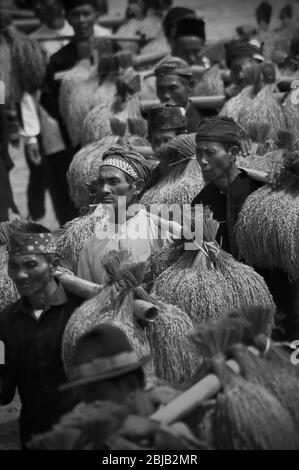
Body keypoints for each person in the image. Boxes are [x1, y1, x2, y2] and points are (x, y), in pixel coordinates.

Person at [29, 324, 200, 450]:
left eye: (95, 393)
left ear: (130, 385)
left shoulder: (174, 432)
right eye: (84, 395)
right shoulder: (84, 428)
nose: (90, 405)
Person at [0, 223, 83, 449]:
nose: (20, 275)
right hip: (36, 438)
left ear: (53, 264)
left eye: (30, 265)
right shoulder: (5, 322)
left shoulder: (82, 311)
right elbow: (3, 391)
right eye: (13, 266)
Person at [77, 146, 181, 285]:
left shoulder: (165, 233)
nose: (104, 189)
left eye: (113, 181)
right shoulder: (90, 247)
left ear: (137, 187)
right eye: (101, 182)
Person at [21, 0, 75, 225]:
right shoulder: (32, 44)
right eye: (38, 2)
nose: (42, 6)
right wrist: (31, 136)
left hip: (85, 127)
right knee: (61, 188)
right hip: (51, 127)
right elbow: (28, 93)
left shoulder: (93, 35)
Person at [191, 116, 262, 258]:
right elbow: (194, 255)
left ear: (232, 153)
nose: (202, 161)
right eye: (199, 153)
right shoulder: (200, 202)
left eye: (210, 153)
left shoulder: (258, 191)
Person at [142, 103, 187, 193]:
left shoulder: (192, 173)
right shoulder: (150, 179)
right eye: (156, 141)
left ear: (181, 138)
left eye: (167, 140)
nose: (162, 146)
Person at [154, 57, 201, 133]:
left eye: (172, 88)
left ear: (190, 86)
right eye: (160, 89)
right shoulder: (154, 121)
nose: (165, 95)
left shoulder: (200, 126)